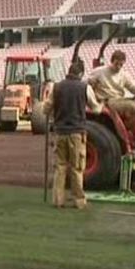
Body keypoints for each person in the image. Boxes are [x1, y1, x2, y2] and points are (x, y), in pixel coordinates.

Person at [43, 60, 102, 209]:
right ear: (81, 73)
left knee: (60, 167)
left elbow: (46, 108)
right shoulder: (85, 87)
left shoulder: (56, 87)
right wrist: (101, 104)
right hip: (77, 133)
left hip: (60, 132)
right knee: (76, 168)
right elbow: (96, 109)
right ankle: (79, 201)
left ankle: (58, 200)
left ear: (68, 72)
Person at [87, 50, 135, 146]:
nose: (118, 67)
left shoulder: (123, 74)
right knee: (131, 106)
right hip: (108, 100)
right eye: (116, 64)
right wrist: (93, 84)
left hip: (119, 99)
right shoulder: (100, 72)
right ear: (112, 61)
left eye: (121, 65)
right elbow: (87, 83)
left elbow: (133, 88)